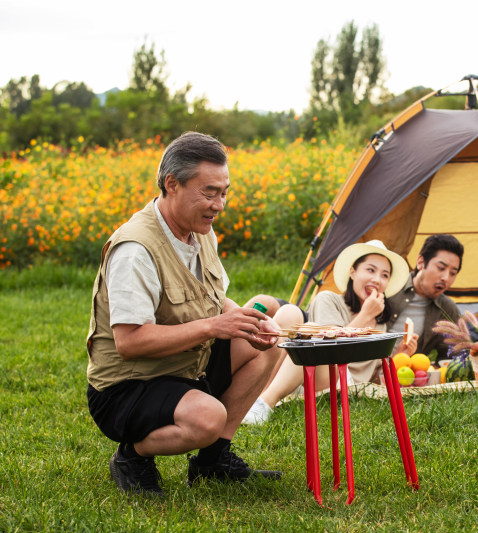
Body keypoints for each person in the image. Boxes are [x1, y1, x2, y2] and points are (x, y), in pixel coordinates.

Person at [85, 131, 304, 496]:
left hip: (186, 364)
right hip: (127, 386)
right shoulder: (135, 250)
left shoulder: (201, 232)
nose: (219, 204)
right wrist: (215, 326)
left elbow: (215, 301)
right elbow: (129, 342)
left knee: (269, 346)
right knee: (208, 418)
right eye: (209, 192)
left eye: (224, 192)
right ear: (172, 184)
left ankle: (212, 462)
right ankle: (131, 456)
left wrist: (250, 323)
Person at [244, 240, 418, 424]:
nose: (376, 279)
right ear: (353, 272)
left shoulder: (380, 324)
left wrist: (399, 355)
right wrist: (365, 315)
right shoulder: (329, 300)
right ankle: (258, 398)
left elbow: (371, 372)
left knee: (308, 343)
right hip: (317, 367)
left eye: (385, 275)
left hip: (341, 382)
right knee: (292, 315)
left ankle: (264, 402)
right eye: (370, 270)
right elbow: (331, 345)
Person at [385, 234, 464, 362]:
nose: (446, 278)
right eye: (441, 268)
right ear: (421, 262)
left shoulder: (447, 309)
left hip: (409, 378)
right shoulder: (388, 287)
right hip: (367, 373)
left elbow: (454, 355)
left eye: (453, 273)